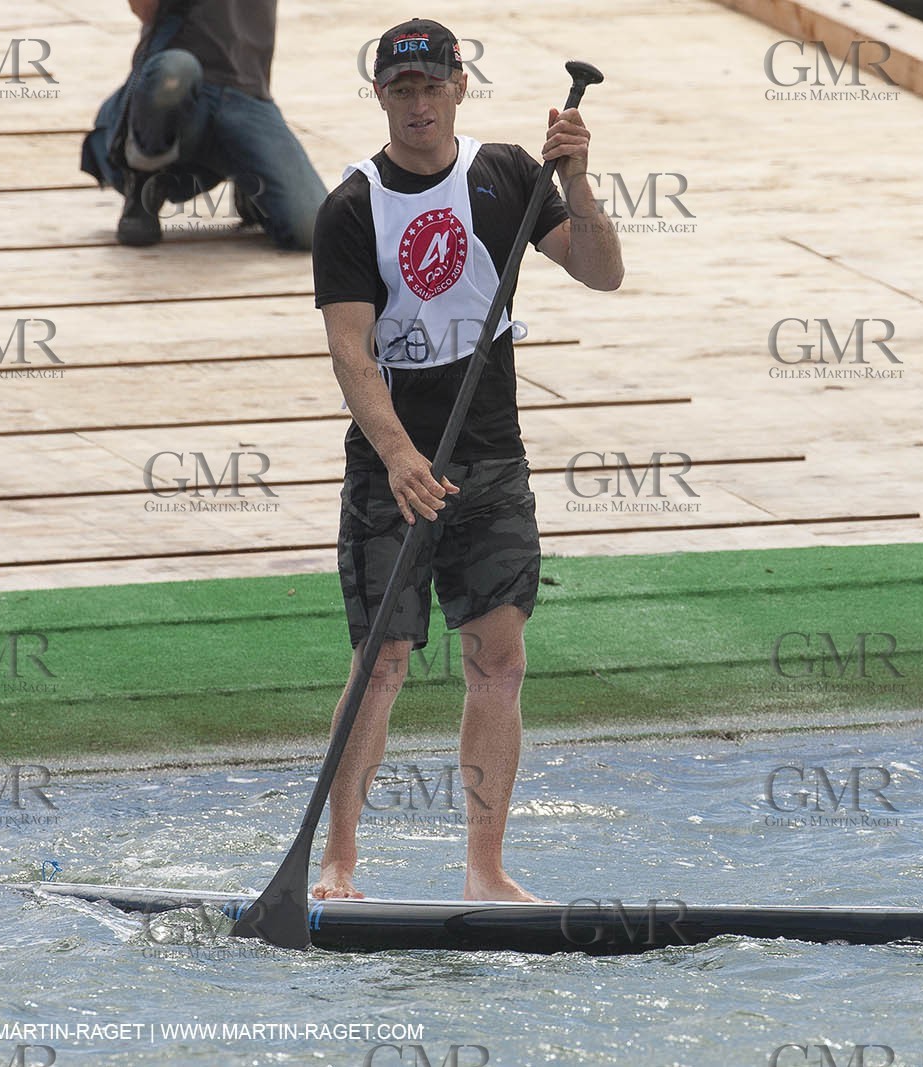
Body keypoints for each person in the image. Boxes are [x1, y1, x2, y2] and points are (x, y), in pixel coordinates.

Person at [309, 19, 623, 901]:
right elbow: (350, 350)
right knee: (384, 661)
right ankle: (337, 861)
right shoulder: (351, 207)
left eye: (431, 86)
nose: (418, 104)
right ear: (380, 96)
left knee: (499, 658)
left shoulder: (511, 177)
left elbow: (602, 273)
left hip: (491, 454)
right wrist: (401, 455)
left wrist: (579, 185)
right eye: (400, 89)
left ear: (459, 87)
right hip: (393, 465)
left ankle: (485, 870)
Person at [79, 0, 327, 249]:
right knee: (174, 72)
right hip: (181, 82)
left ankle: (251, 184)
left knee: (314, 230)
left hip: (245, 91)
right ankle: (144, 182)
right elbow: (144, 11)